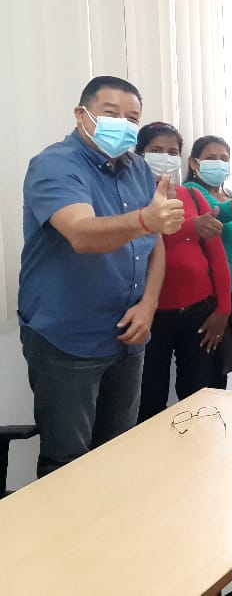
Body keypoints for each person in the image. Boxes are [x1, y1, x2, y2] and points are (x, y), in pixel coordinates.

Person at [19, 76, 184, 477]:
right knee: (67, 465)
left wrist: (149, 305)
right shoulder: (55, 165)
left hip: (128, 333)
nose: (123, 125)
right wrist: (146, 219)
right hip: (68, 338)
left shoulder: (137, 168)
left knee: (119, 453)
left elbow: (155, 244)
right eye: (112, 114)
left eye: (132, 118)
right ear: (82, 115)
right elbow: (81, 233)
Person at [134, 122, 232, 421]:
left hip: (199, 311)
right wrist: (191, 227)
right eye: (156, 150)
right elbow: (143, 242)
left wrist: (223, 310)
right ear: (140, 154)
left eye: (172, 151)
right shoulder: (132, 197)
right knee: (149, 398)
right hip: (151, 315)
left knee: (198, 395)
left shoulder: (192, 196)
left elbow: (217, 257)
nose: (166, 157)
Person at [184, 135, 232, 387]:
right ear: (194, 163)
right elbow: (211, 217)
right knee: (202, 370)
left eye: (224, 158)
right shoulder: (191, 192)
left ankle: (217, 409)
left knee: (222, 365)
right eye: (211, 158)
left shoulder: (229, 195)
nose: (219, 163)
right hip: (208, 296)